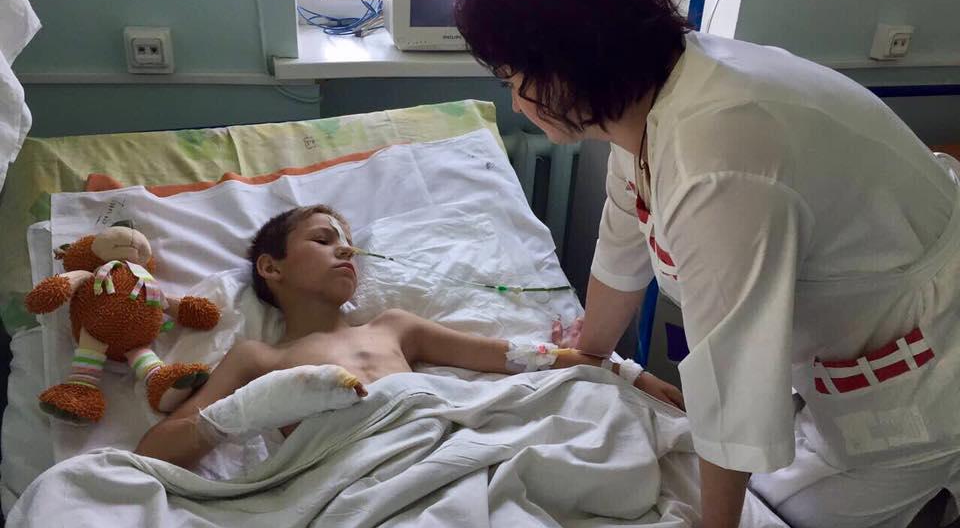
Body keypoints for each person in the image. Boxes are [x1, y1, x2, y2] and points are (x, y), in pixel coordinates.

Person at [454, 0, 960, 528]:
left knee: (808, 523)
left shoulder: (718, 157)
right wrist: (591, 352)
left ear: (574, 66)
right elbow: (623, 240)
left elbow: (735, 368)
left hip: (929, 361)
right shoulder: (651, 100)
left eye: (517, 77)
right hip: (849, 329)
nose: (514, 101)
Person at [136, 204, 683, 469]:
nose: (345, 249)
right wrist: (248, 409)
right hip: (356, 479)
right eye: (323, 240)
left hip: (441, 455)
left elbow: (514, 357)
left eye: (348, 243)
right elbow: (155, 450)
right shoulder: (257, 358)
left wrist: (624, 371)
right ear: (271, 268)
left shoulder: (393, 327)